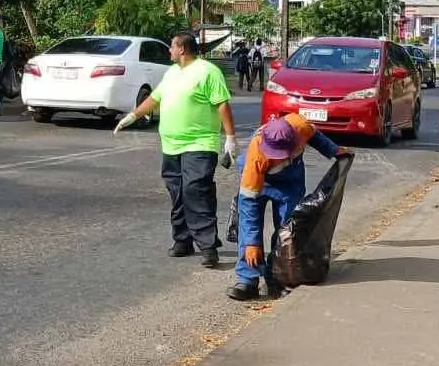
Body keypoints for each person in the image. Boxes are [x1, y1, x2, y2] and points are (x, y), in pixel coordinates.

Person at [115, 31, 237, 265]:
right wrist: (133, 115)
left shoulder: (208, 71)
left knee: (195, 191)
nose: (169, 50)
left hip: (199, 143)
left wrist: (230, 138)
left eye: (171, 46)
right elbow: (156, 98)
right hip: (171, 145)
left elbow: (222, 104)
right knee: (177, 192)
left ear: (182, 49)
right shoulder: (172, 72)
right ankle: (182, 240)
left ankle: (208, 246)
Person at [229, 113, 350, 301]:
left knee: (287, 230)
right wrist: (252, 243)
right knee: (249, 232)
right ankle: (247, 279)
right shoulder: (256, 158)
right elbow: (248, 207)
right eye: (274, 156)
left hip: (289, 184)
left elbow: (316, 137)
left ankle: (276, 276)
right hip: (258, 182)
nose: (277, 159)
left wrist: (334, 151)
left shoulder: (300, 126)